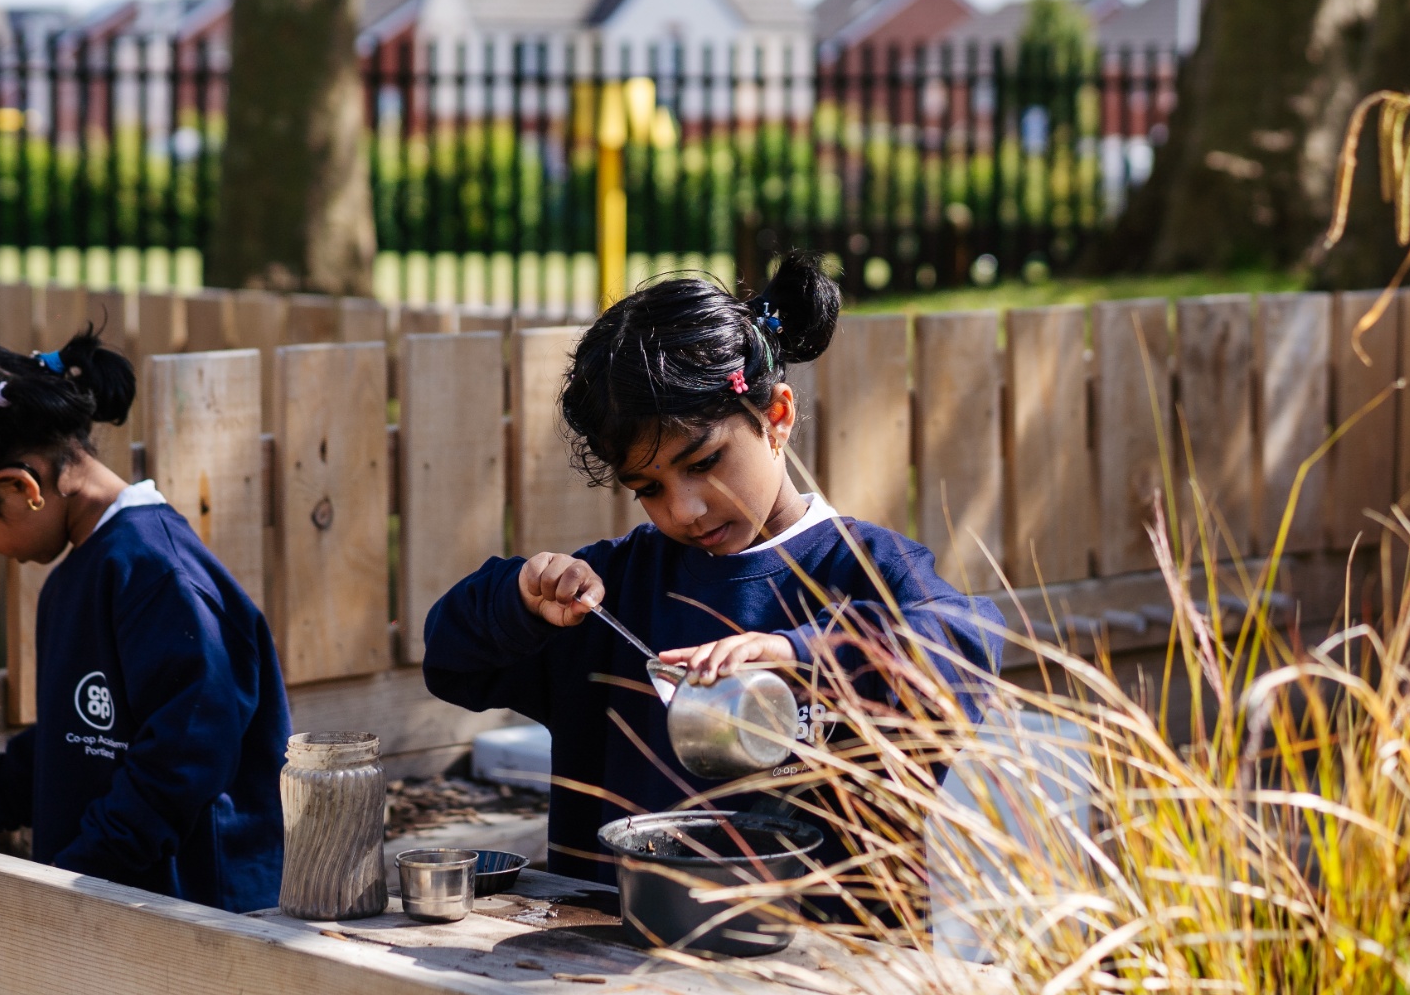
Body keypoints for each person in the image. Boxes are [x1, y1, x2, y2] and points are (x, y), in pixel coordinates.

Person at [422, 253, 1004, 885]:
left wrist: (799, 656)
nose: (686, 510)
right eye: (648, 488)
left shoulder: (867, 572)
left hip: (820, 941)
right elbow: (452, 662)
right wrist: (518, 598)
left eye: (703, 463)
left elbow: (969, 643)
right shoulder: (610, 596)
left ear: (776, 417)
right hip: (612, 935)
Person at [0, 329, 289, 912]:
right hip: (114, 907)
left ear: (20, 486)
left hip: (200, 921)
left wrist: (82, 873)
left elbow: (182, 759)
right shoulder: (79, 579)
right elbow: (75, 743)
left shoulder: (160, 576)